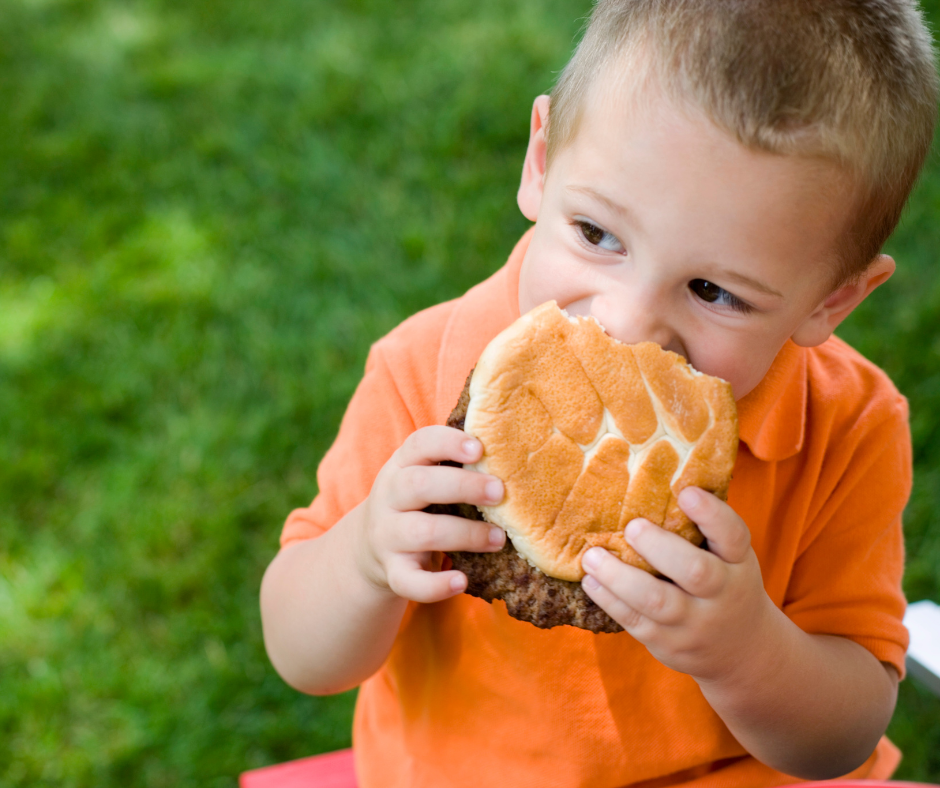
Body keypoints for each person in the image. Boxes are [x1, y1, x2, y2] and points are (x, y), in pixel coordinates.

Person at [260, 1, 938, 786]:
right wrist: (365, 557)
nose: (626, 326)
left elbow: (842, 736)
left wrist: (748, 651)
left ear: (830, 301)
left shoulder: (847, 425)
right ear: (541, 161)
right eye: (597, 235)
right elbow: (300, 653)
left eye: (714, 290)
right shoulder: (420, 371)